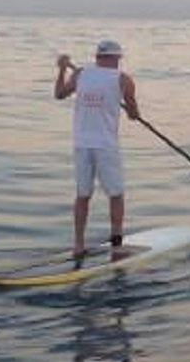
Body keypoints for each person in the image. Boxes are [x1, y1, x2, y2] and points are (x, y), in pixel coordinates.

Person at [54, 39, 141, 255]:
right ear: (116, 58)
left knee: (83, 195)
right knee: (116, 195)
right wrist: (130, 107)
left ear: (97, 57)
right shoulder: (123, 79)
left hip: (81, 145)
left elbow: (59, 94)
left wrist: (62, 69)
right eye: (118, 58)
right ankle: (117, 244)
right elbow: (133, 116)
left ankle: (78, 245)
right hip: (105, 146)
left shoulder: (80, 74)